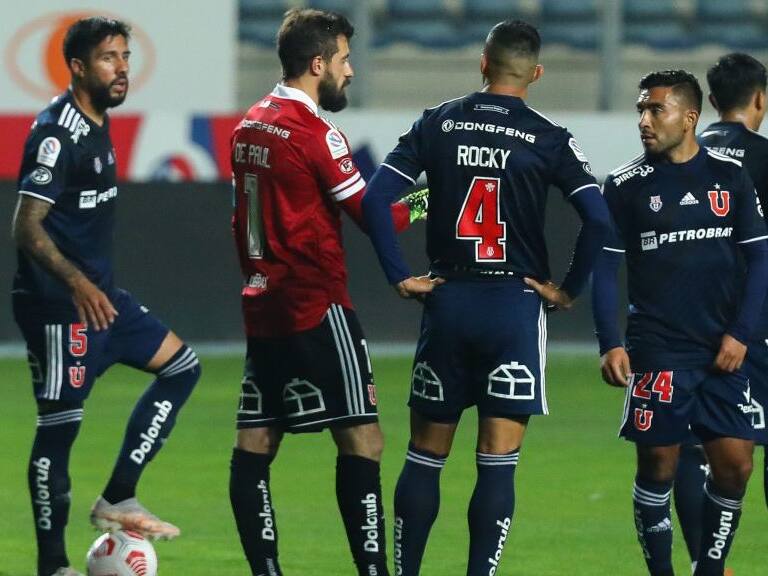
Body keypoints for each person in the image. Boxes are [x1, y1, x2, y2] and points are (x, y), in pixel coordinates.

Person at [362, 20, 610, 576]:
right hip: (514, 311)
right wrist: (566, 290)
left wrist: (399, 275)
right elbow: (597, 218)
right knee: (497, 464)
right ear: (537, 74)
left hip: (448, 303)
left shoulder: (439, 122)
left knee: (425, 458)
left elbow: (378, 200)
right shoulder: (549, 137)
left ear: (482, 63)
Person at [227, 9, 427, 576]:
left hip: (263, 304)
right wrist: (431, 198)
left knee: (256, 442)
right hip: (316, 306)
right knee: (363, 439)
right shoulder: (315, 133)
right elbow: (375, 216)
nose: (351, 71)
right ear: (318, 64)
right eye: (343, 59)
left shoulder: (250, 125)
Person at [11, 16, 201, 576]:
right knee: (60, 429)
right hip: (58, 306)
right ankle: (53, 566)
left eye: (125, 57)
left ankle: (119, 496)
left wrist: (93, 286)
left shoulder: (99, 124)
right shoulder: (56, 132)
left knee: (182, 367)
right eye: (108, 58)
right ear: (76, 67)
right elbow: (26, 225)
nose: (121, 69)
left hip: (103, 300)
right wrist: (76, 282)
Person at [592, 69, 768, 576]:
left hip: (724, 350)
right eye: (641, 110)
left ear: (690, 117)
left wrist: (740, 332)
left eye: (656, 110)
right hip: (659, 348)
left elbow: (759, 260)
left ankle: (708, 570)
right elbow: (606, 267)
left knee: (736, 467)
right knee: (659, 466)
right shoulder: (624, 186)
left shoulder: (731, 177)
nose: (645, 121)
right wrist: (610, 341)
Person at [673, 52, 768, 571]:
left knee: (690, 450)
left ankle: (707, 563)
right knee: (747, 456)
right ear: (760, 98)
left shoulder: (681, 156)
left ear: (709, 102)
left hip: (682, 329)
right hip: (754, 332)